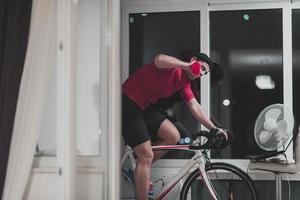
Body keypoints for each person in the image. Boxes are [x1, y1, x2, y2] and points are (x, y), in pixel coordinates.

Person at [122, 53, 228, 200]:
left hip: (144, 108)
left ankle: (137, 172)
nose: (202, 73)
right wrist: (187, 66)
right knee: (146, 155)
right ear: (193, 61)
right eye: (202, 68)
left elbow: (194, 106)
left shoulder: (184, 83)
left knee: (173, 136)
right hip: (128, 104)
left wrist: (214, 128)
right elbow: (159, 59)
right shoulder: (173, 68)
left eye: (205, 72)